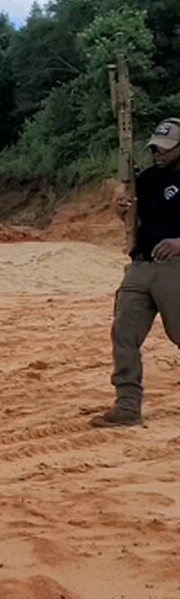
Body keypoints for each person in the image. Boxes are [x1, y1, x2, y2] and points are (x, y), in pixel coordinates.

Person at [92, 117, 180, 427]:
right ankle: (127, 406)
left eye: (167, 149)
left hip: (176, 267)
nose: (159, 153)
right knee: (123, 333)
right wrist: (123, 212)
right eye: (156, 147)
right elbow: (137, 222)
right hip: (141, 265)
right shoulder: (147, 179)